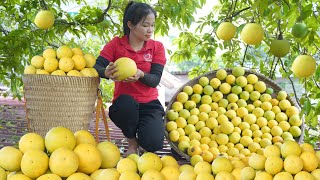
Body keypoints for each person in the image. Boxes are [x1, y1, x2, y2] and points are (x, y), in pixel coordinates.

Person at [94, 1, 166, 155]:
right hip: (124, 104)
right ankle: (132, 142)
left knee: (153, 143)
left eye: (153, 25)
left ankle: (144, 135)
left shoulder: (157, 47)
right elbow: (96, 66)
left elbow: (155, 80)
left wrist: (141, 75)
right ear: (131, 25)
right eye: (145, 25)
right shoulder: (116, 44)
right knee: (126, 105)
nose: (150, 30)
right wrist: (105, 72)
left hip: (150, 103)